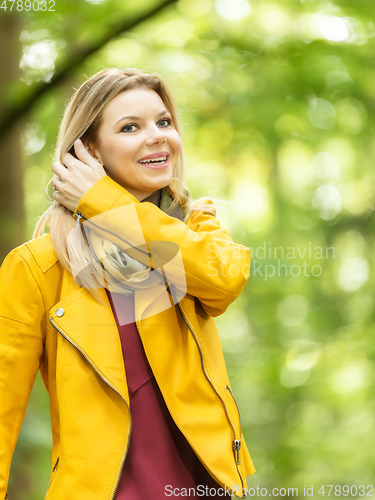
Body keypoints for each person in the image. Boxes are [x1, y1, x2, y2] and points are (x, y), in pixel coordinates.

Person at [0, 68, 255, 499]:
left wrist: (104, 202)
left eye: (164, 122)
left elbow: (224, 280)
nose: (156, 136)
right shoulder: (39, 267)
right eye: (130, 127)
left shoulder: (199, 230)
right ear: (90, 152)